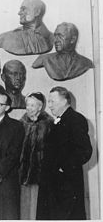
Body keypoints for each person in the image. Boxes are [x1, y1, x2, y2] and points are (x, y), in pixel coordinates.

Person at [36, 86, 92, 220]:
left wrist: (63, 167)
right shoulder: (58, 120)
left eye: (52, 101)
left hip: (66, 185)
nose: (49, 106)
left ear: (64, 101)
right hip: (54, 184)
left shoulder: (76, 119)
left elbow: (85, 150)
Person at [19, 92, 53, 219]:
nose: (28, 108)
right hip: (23, 172)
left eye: (32, 105)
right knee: (24, 205)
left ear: (40, 107)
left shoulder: (49, 123)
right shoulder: (21, 122)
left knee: (39, 206)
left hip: (41, 172)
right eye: (27, 105)